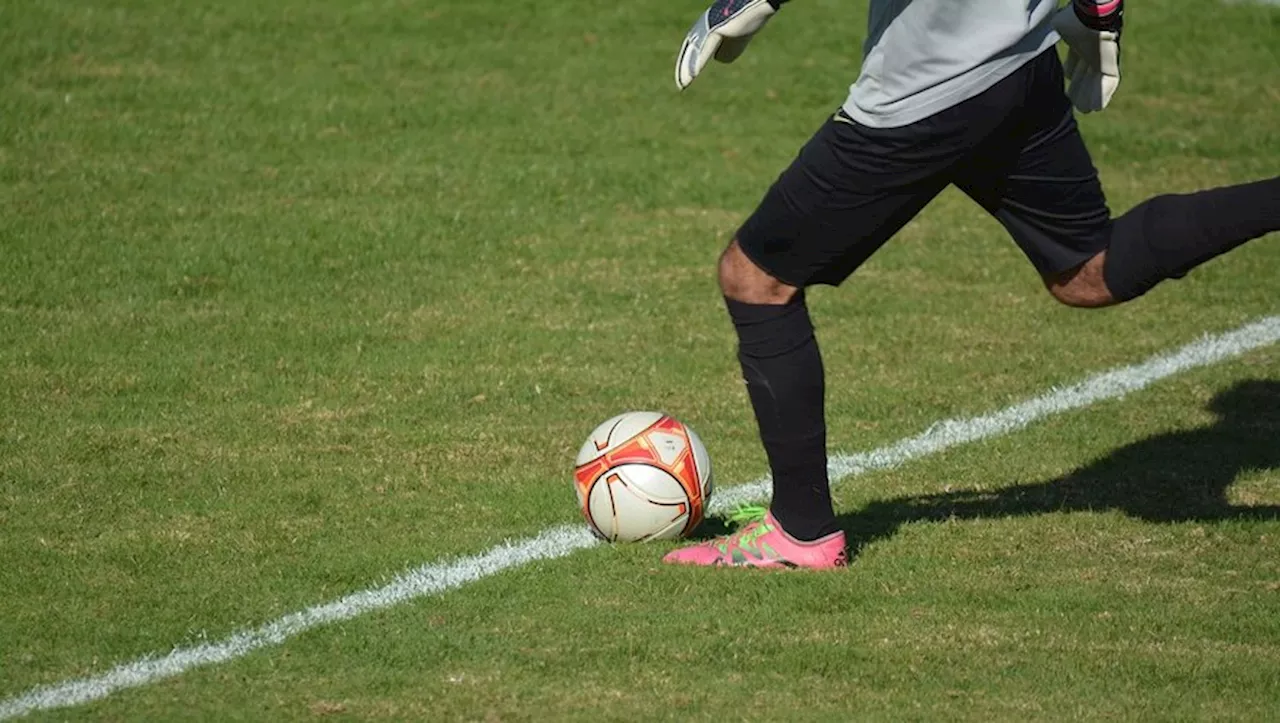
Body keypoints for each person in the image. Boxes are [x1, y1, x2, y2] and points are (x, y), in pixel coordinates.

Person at [662, 0, 1280, 569]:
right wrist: (1098, 13)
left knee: (755, 278)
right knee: (1088, 270)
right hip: (1017, 61)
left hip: (925, 86)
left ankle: (800, 531)